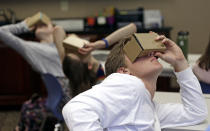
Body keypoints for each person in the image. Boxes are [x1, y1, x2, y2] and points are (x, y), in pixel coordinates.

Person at [62, 33, 208, 131]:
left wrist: (180, 62)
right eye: (138, 54)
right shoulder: (130, 84)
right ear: (124, 71)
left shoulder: (147, 106)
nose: (150, 52)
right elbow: (76, 108)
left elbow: (196, 113)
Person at [0, 14, 70, 130]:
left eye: (44, 25)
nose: (39, 27)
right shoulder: (33, 49)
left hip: (69, 93)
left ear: (53, 28)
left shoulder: (61, 44)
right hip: (68, 97)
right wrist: (23, 26)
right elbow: (1, 32)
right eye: (37, 26)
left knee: (27, 106)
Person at [62, 23, 137, 97]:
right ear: (89, 66)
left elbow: (61, 31)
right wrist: (103, 43)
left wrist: (101, 43)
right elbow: (132, 28)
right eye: (77, 53)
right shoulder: (109, 72)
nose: (77, 49)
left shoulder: (73, 73)